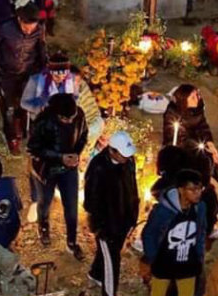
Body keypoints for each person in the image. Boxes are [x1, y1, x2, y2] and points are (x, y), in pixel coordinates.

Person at [27, 92, 88, 258]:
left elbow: (83, 135)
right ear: (56, 114)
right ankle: (44, 226)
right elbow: (33, 148)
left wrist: (76, 153)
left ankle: (72, 241)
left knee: (71, 205)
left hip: (69, 168)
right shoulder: (43, 121)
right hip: (46, 168)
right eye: (64, 119)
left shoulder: (79, 115)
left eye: (71, 118)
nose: (69, 121)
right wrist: (59, 157)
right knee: (44, 201)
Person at [0, 3, 47, 155]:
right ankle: (12, 138)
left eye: (32, 27)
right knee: (9, 108)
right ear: (19, 19)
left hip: (29, 72)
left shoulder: (39, 30)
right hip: (7, 73)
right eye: (26, 26)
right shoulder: (5, 28)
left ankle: (29, 136)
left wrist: (46, 73)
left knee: (29, 106)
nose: (29, 30)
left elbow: (42, 51)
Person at [84, 131, 140, 296]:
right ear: (112, 151)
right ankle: (109, 292)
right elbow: (91, 201)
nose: (127, 158)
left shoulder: (129, 162)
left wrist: (133, 215)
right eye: (123, 154)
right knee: (113, 260)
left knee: (108, 254)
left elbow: (133, 188)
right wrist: (100, 226)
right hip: (107, 226)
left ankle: (95, 274)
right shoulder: (98, 167)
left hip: (124, 219)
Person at [141, 168, 207, 296]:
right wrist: (153, 257)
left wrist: (199, 255)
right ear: (181, 190)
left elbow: (201, 231)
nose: (197, 193)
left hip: (189, 265)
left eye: (200, 189)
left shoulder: (200, 208)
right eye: (192, 189)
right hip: (164, 265)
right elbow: (149, 234)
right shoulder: (163, 210)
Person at [21, 54, 103, 142]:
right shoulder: (35, 81)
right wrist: (41, 106)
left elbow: (75, 97)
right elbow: (24, 103)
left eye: (64, 76)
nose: (60, 79)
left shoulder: (70, 80)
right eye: (56, 76)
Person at [162, 85, 218, 168]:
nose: (197, 98)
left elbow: (203, 126)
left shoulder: (198, 107)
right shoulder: (172, 113)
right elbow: (177, 138)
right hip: (178, 145)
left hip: (196, 142)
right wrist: (203, 151)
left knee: (209, 160)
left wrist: (211, 145)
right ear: (184, 101)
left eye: (197, 95)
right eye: (193, 97)